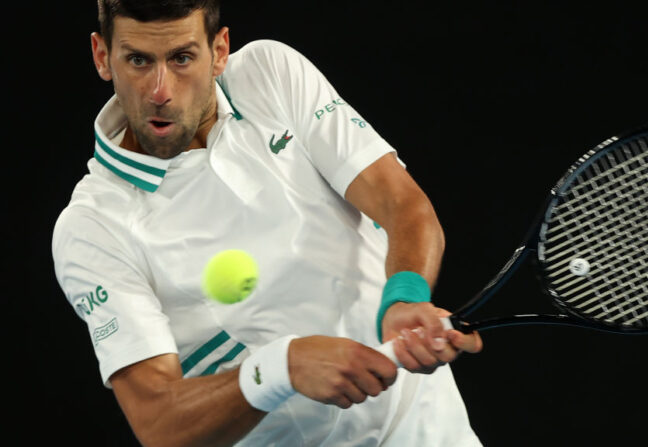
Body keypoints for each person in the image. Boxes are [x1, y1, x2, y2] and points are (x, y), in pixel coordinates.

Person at [51, 1, 483, 445]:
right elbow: (159, 423)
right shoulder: (92, 228)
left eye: (182, 58)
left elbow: (400, 201)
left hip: (432, 431)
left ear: (220, 51)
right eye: (138, 60)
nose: (160, 90)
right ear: (102, 56)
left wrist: (405, 297)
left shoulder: (270, 73)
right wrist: (281, 368)